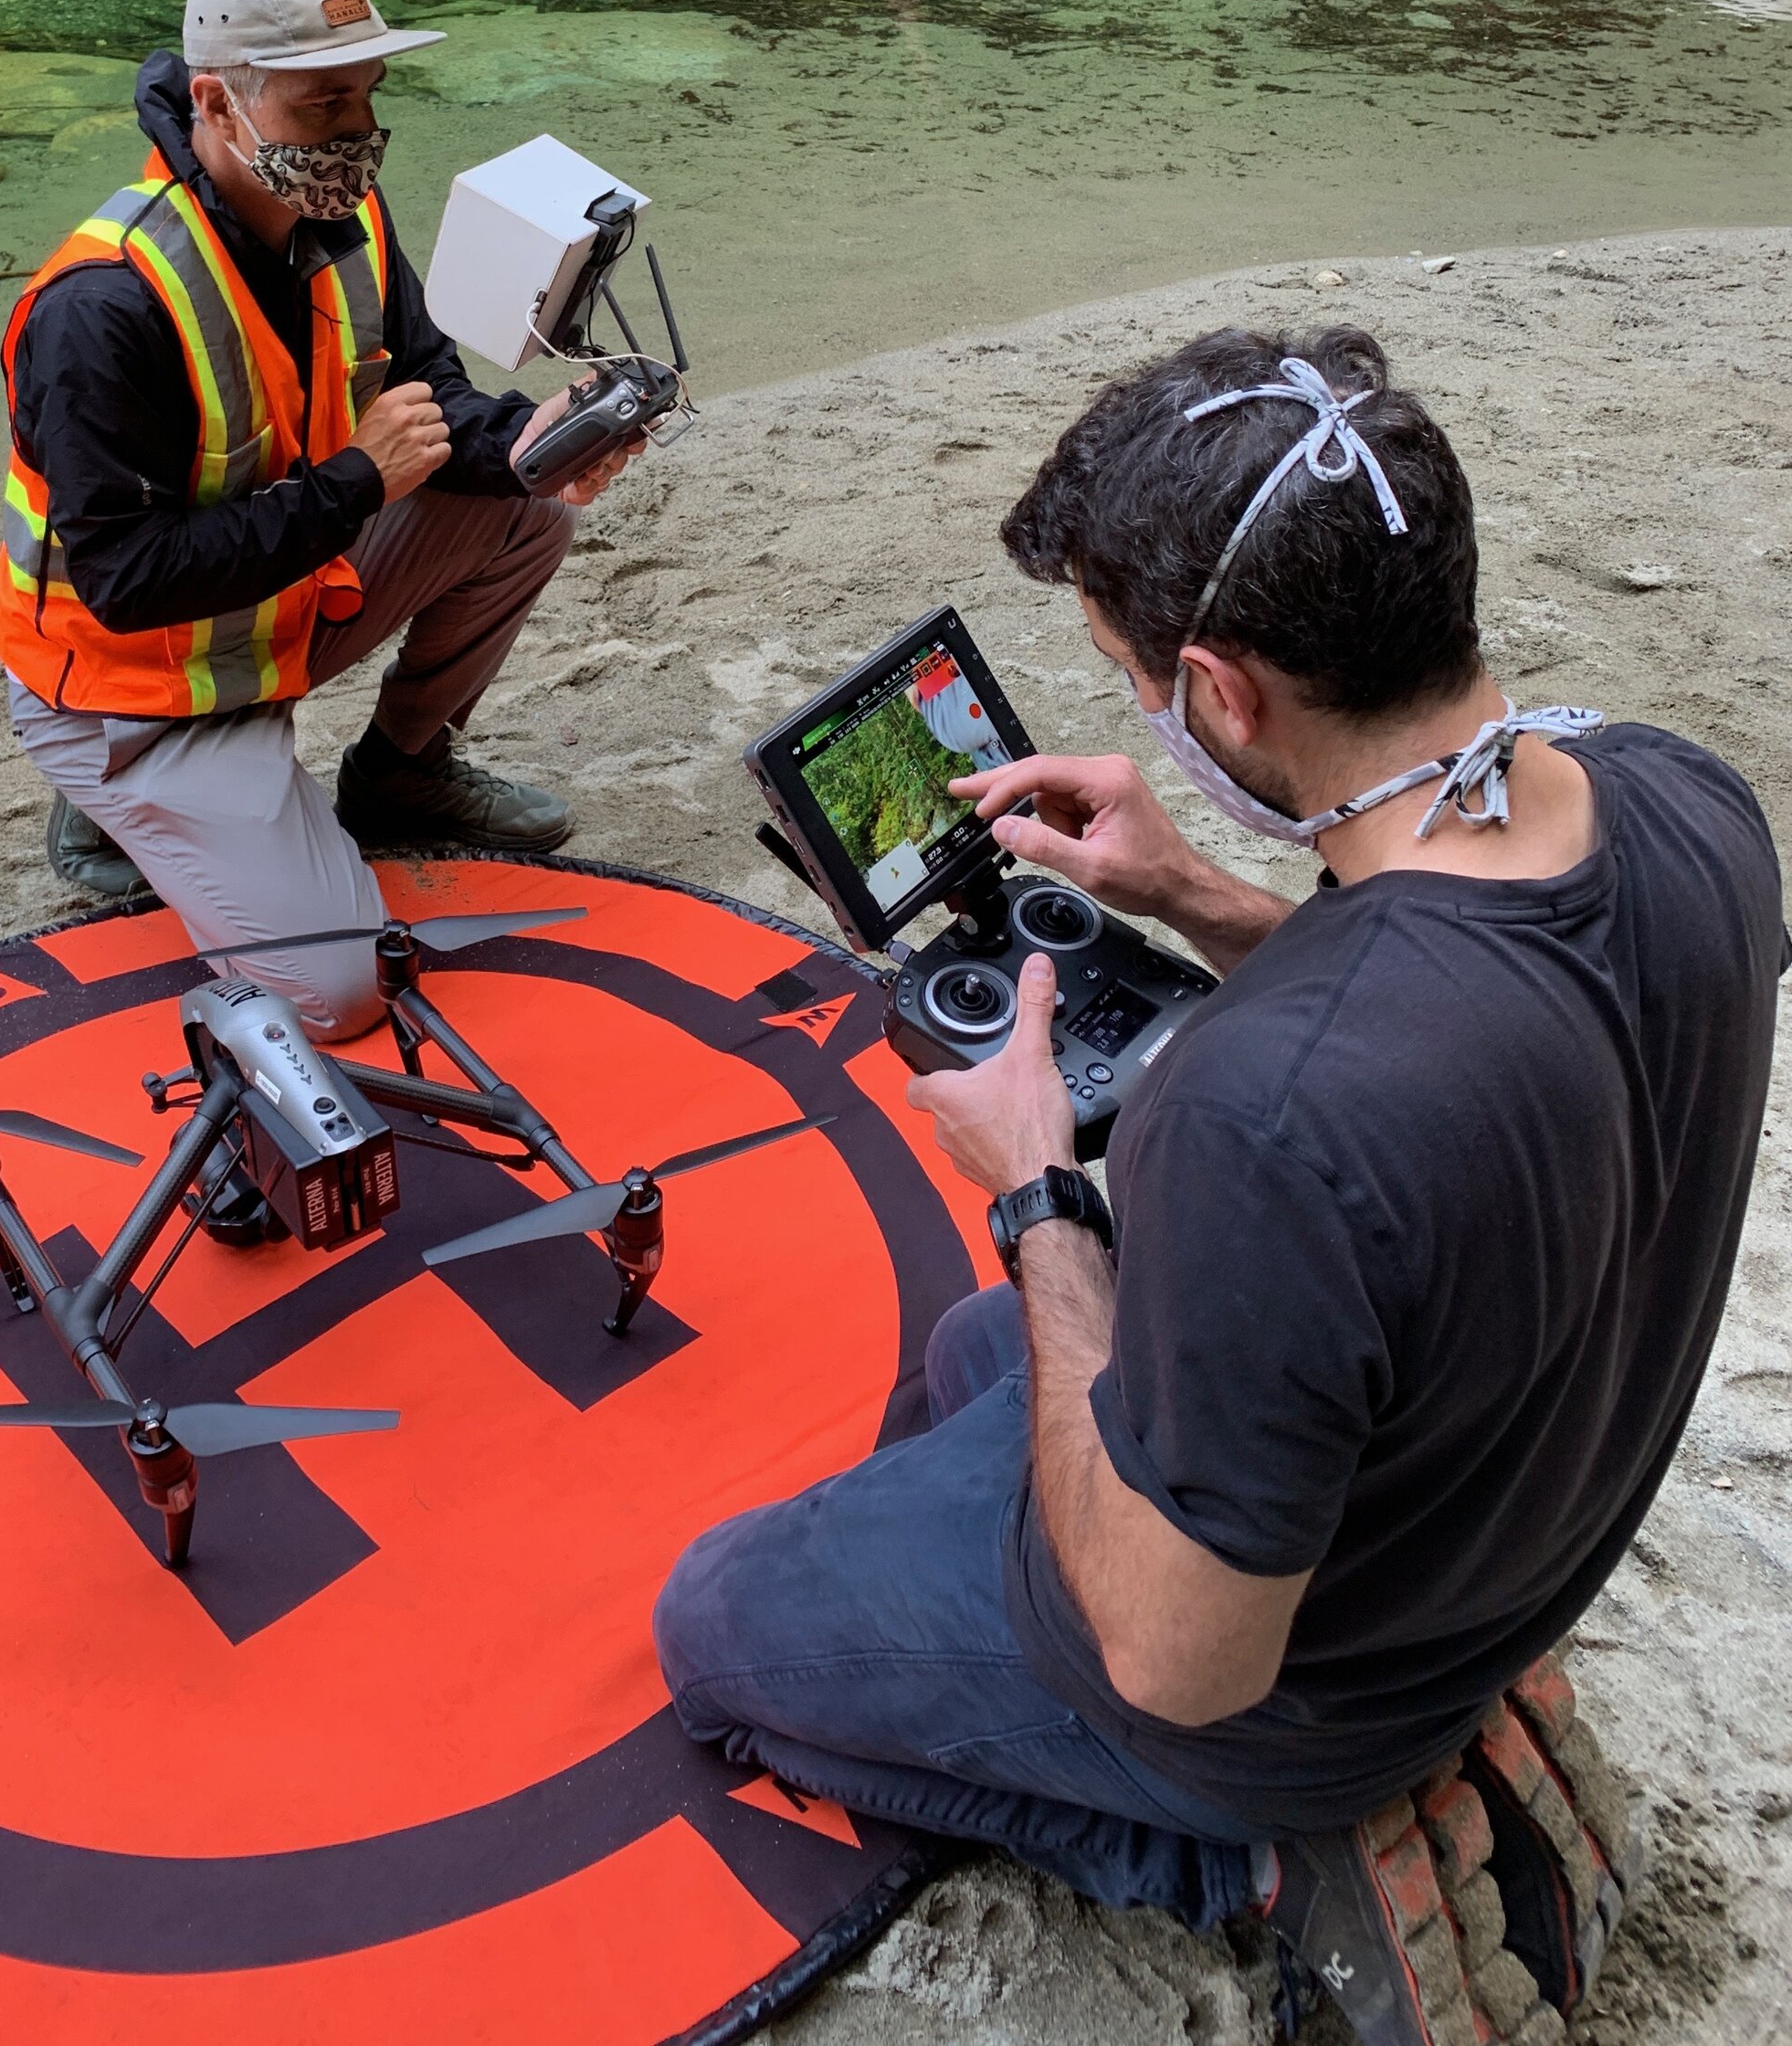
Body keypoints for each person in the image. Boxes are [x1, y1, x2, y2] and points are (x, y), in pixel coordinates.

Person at [656, 326, 1784, 2042]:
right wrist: (1193, 891)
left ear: (1224, 693)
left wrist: (1036, 1189)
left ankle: (1259, 1866)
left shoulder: (1259, 1114)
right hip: (1510, 1519)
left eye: (1134, 676)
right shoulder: (1685, 799)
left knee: (710, 1631)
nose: (1143, 711)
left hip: (1300, 1692)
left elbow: (1181, 1659)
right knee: (971, 1354)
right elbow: (1483, 1026)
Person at [0, 0, 646, 1045]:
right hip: (133, 687)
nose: (357, 132)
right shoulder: (101, 305)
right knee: (338, 996)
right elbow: (125, 584)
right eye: (323, 104)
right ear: (216, 101)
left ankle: (400, 776)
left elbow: (429, 395)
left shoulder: (344, 216)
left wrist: (526, 442)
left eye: (367, 94)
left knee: (528, 506)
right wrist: (354, 484)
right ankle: (111, 802)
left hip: (274, 605)